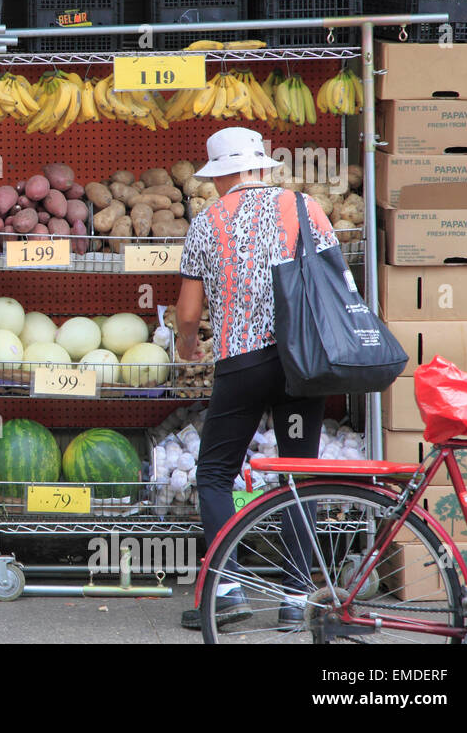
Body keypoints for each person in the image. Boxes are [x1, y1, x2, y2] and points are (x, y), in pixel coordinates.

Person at [174, 127, 335, 631]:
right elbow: (335, 284)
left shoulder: (208, 221)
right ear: (261, 167)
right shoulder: (307, 208)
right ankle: (294, 596)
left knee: (215, 473)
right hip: (301, 364)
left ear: (221, 175)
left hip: (241, 362)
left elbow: (187, 311)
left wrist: (186, 345)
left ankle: (228, 588)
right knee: (298, 476)